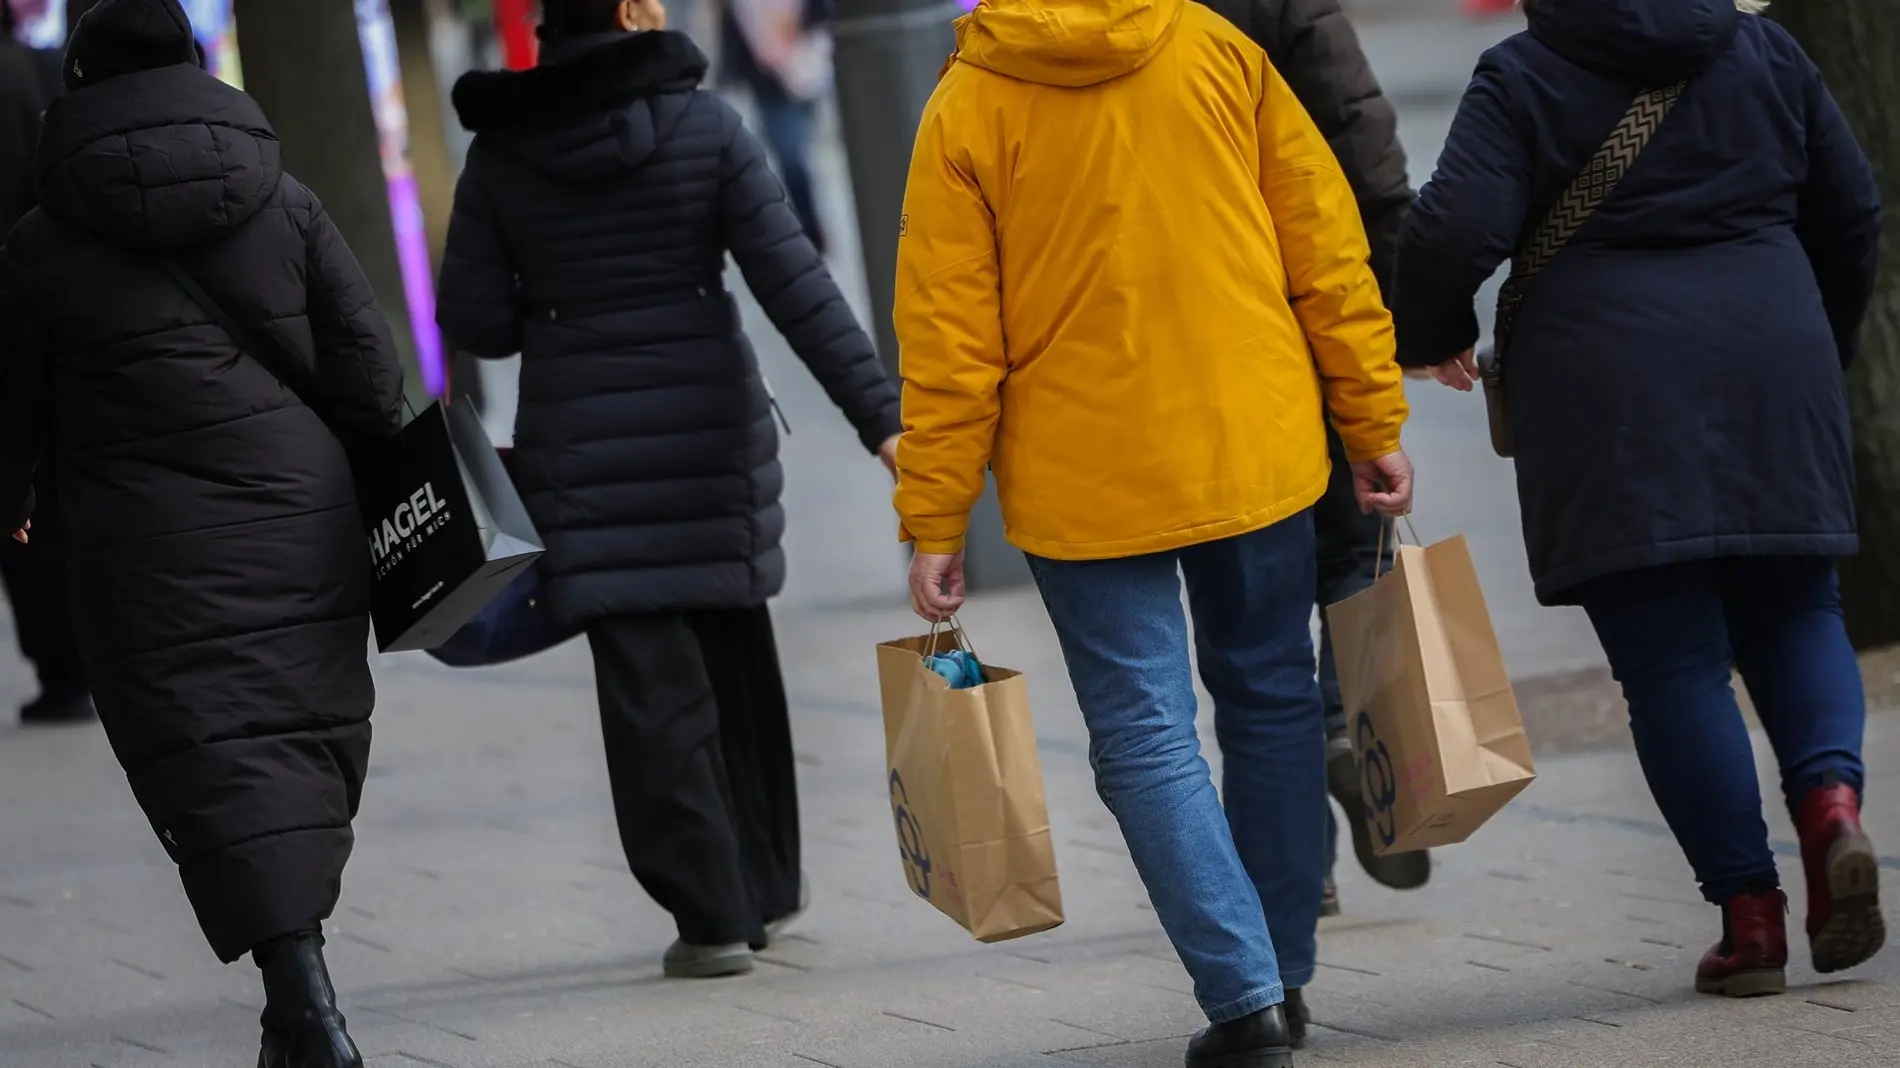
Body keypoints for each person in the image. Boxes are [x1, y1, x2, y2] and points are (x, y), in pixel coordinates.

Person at [892, 0, 1412, 1062]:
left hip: (1081, 482)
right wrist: (1368, 417)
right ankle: (1284, 979)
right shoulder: (1215, 50)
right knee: (1269, 696)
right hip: (1251, 443)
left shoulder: (967, 105)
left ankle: (1246, 998)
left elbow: (948, 343)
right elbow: (1323, 245)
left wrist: (936, 515)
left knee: (1141, 732)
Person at [1395, 0, 1883, 998]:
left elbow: (1452, 227)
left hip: (1607, 388)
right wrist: (1809, 341)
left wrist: (1428, 327)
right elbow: (1852, 208)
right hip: (1770, 357)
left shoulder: (1523, 73)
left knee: (1669, 660)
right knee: (1796, 604)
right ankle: (1831, 806)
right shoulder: (1762, 46)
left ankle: (1750, 922)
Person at [438, 0, 901, 981]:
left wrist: (557, 294)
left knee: (650, 689)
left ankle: (711, 914)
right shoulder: (703, 125)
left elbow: (476, 318)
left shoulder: (501, 153)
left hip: (587, 449)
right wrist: (881, 421)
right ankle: (768, 889)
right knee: (733, 661)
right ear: (630, 12)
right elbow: (793, 283)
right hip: (708, 435)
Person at [0, 1, 407, 1063]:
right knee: (291, 743)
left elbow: (11, 410)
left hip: (135, 545)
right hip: (298, 516)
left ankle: (301, 997)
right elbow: (371, 374)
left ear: (78, 84)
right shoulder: (284, 199)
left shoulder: (39, 244)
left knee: (208, 758)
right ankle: (295, 996)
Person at [1200, 0, 1430, 915]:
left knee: (1244, 617)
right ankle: (1348, 727)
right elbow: (1357, 125)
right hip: (1303, 299)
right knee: (1346, 543)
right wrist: (1412, 302)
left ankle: (1300, 865)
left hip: (1181, 329)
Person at [0, 0, 90, 726]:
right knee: (63, 485)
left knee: (17, 498)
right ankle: (85, 653)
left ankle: (59, 667)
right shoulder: (37, 73)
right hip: (51, 304)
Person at [720, 0, 833, 252]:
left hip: (806, 70)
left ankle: (810, 221)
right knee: (791, 156)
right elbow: (732, 31)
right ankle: (810, 224)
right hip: (768, 83)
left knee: (799, 152)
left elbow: (821, 12)